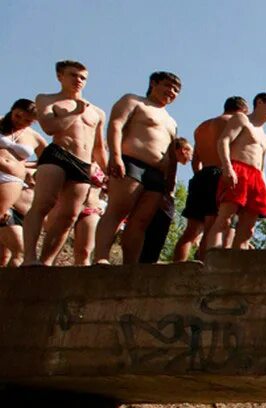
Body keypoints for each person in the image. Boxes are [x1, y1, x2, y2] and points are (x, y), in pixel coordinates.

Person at [93, 70, 182, 264]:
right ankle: (100, 257)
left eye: (176, 90)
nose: (172, 91)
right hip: (132, 163)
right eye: (168, 85)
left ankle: (131, 265)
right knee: (117, 212)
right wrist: (115, 156)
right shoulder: (134, 101)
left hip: (157, 174)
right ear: (153, 83)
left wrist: (171, 182)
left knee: (140, 222)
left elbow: (172, 155)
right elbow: (116, 125)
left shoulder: (171, 121)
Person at [23, 60, 106, 265]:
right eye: (73, 75)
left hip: (83, 164)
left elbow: (98, 147)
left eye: (82, 77)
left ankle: (46, 262)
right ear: (60, 76)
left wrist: (108, 173)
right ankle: (29, 257)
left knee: (69, 216)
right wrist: (75, 112)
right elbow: (50, 127)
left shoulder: (97, 111)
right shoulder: (47, 99)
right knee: (44, 203)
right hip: (58, 155)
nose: (78, 80)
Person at [175, 96, 247, 262]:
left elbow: (196, 160)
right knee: (214, 225)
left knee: (191, 230)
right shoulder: (234, 122)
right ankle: (205, 267)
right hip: (221, 174)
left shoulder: (202, 127)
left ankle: (177, 265)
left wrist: (199, 178)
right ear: (243, 110)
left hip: (202, 175)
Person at [210, 93, 266, 250]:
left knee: (248, 228)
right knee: (225, 219)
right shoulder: (241, 119)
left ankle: (238, 261)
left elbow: (262, 167)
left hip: (256, 177)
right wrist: (227, 167)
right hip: (238, 168)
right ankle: (213, 257)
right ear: (260, 103)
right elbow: (224, 140)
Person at [0, 99, 44, 230]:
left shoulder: (35, 137)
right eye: (17, 116)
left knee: (1, 215)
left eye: (27, 121)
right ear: (12, 109)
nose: (20, 121)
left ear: (34, 121)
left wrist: (24, 166)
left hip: (12, 179)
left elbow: (48, 160)